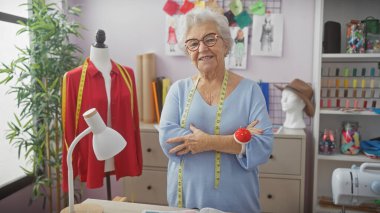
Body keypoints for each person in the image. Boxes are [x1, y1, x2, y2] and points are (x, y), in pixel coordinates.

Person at [158, 8, 273, 213]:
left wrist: (207, 142)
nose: (202, 48)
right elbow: (168, 141)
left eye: (210, 39)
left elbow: (262, 145)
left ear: (226, 44)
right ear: (188, 51)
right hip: (187, 203)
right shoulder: (179, 90)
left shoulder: (250, 91)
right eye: (193, 43)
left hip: (237, 203)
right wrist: (237, 140)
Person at [61, 30, 142, 193]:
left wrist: (136, 158)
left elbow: (133, 121)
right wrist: (69, 172)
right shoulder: (73, 78)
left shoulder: (127, 74)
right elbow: (69, 126)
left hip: (119, 148)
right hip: (93, 153)